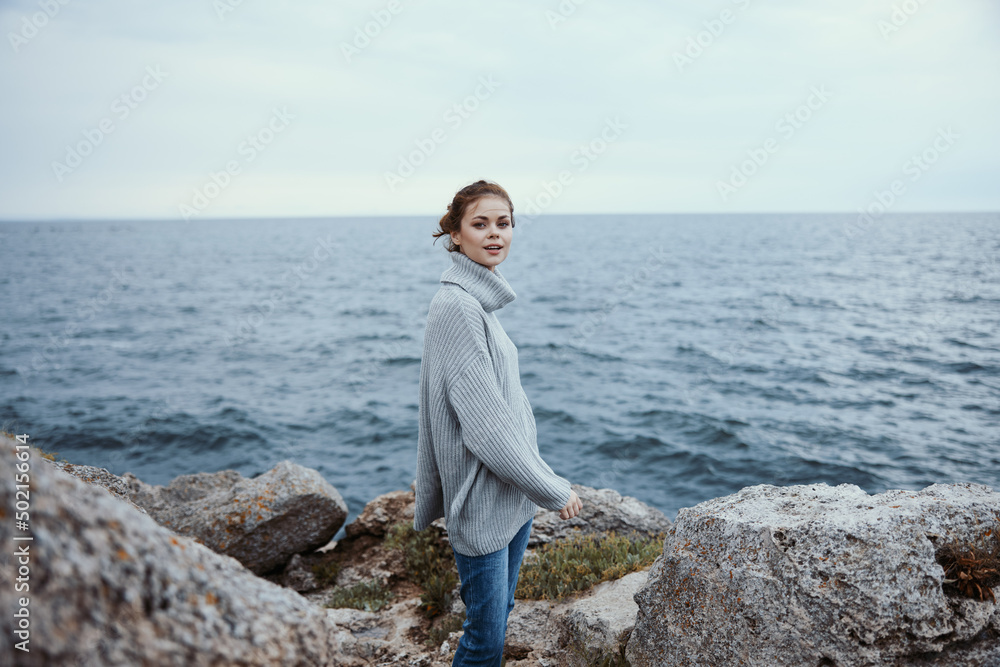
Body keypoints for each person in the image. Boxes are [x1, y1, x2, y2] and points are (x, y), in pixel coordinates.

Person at [413, 179, 582, 666]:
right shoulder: (459, 308)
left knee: (500, 615)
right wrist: (550, 487)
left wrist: (532, 481)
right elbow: (486, 429)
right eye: (480, 224)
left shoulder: (477, 303)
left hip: (509, 499)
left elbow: (508, 411)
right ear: (456, 234)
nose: (494, 234)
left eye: (503, 224)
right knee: (484, 641)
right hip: (482, 502)